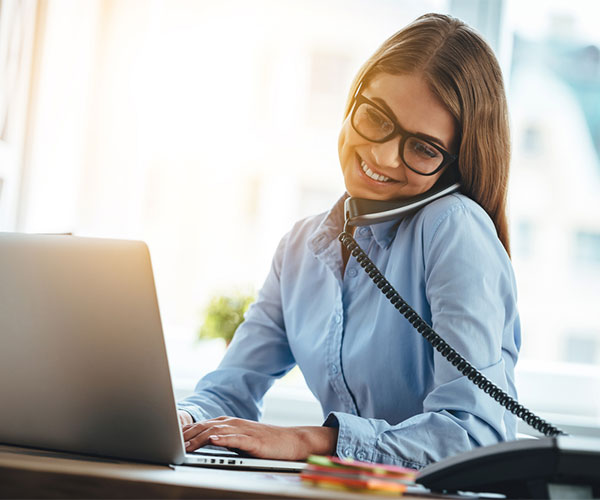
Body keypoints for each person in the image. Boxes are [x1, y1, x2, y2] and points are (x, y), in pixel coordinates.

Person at [177, 12, 520, 469]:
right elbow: (228, 391)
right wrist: (181, 419)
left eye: (422, 148)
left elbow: (473, 435)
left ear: (453, 167)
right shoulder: (301, 248)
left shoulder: (452, 227)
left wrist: (308, 441)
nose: (382, 156)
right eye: (376, 117)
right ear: (354, 97)